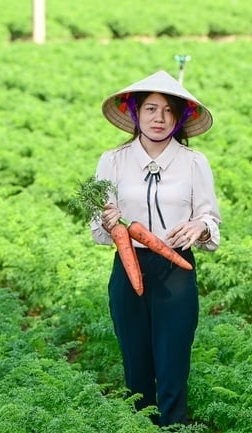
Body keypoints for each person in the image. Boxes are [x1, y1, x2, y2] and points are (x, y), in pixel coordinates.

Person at [91, 70, 221, 426]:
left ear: (179, 118)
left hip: (175, 269)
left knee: (173, 363)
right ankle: (139, 425)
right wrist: (107, 223)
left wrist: (200, 227)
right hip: (128, 266)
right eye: (150, 109)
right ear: (136, 114)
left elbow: (211, 221)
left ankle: (174, 424)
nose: (158, 118)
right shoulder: (112, 161)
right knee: (135, 366)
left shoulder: (195, 163)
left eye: (167, 111)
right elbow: (98, 230)